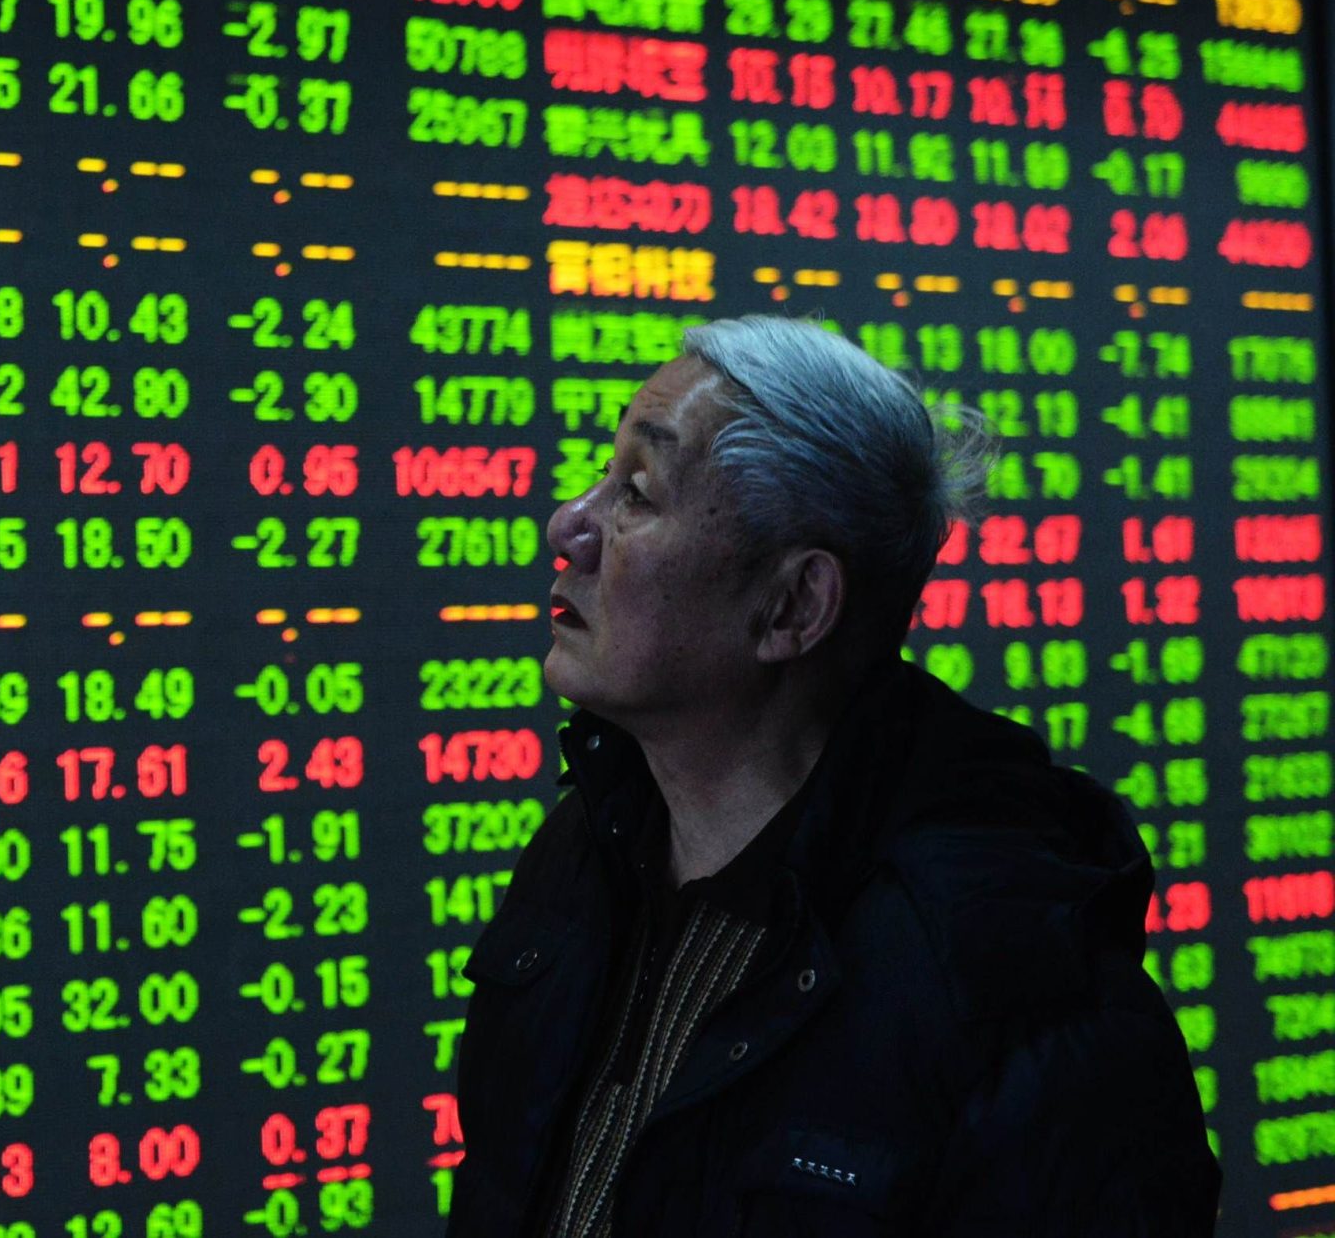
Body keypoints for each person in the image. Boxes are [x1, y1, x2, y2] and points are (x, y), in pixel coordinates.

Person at [445, 314, 1219, 1236]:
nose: (568, 525)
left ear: (793, 607)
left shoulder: (1007, 975)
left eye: (637, 493)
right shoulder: (587, 849)